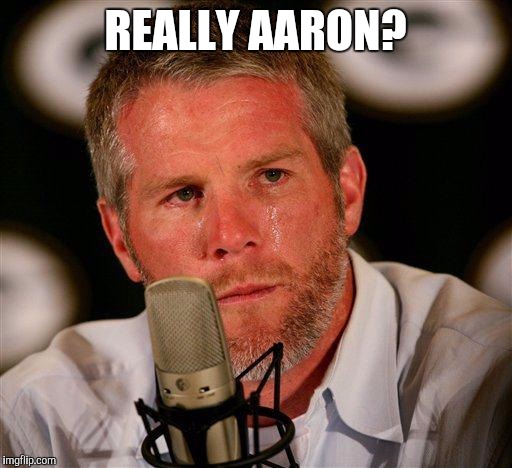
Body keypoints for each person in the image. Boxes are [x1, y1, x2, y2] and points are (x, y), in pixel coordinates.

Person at [1, 4, 511, 467]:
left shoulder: (492, 386)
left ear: (348, 192)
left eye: (270, 177)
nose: (231, 235)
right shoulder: (39, 422)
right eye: (183, 194)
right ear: (119, 239)